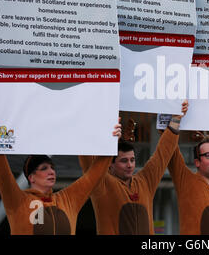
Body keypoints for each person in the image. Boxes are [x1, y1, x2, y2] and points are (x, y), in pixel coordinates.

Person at [0, 110, 121, 235]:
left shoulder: (68, 199)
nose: (51, 172)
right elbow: (2, 175)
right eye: (44, 168)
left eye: (52, 168)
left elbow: (95, 174)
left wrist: (110, 141)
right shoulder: (17, 200)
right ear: (31, 177)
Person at [78, 101, 188, 235]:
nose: (130, 165)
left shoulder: (145, 181)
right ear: (110, 164)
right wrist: (106, 140)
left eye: (132, 160)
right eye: (123, 161)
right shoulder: (102, 184)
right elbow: (87, 160)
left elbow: (163, 154)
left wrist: (176, 119)